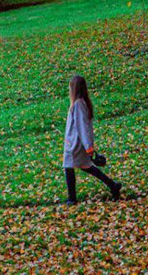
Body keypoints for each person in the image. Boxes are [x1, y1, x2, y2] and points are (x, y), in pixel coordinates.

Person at [63, 75, 121, 205]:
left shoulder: (78, 104)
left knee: (69, 167)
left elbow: (82, 126)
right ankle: (113, 185)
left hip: (75, 144)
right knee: (87, 167)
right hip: (78, 143)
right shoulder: (82, 103)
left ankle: (72, 198)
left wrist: (88, 146)